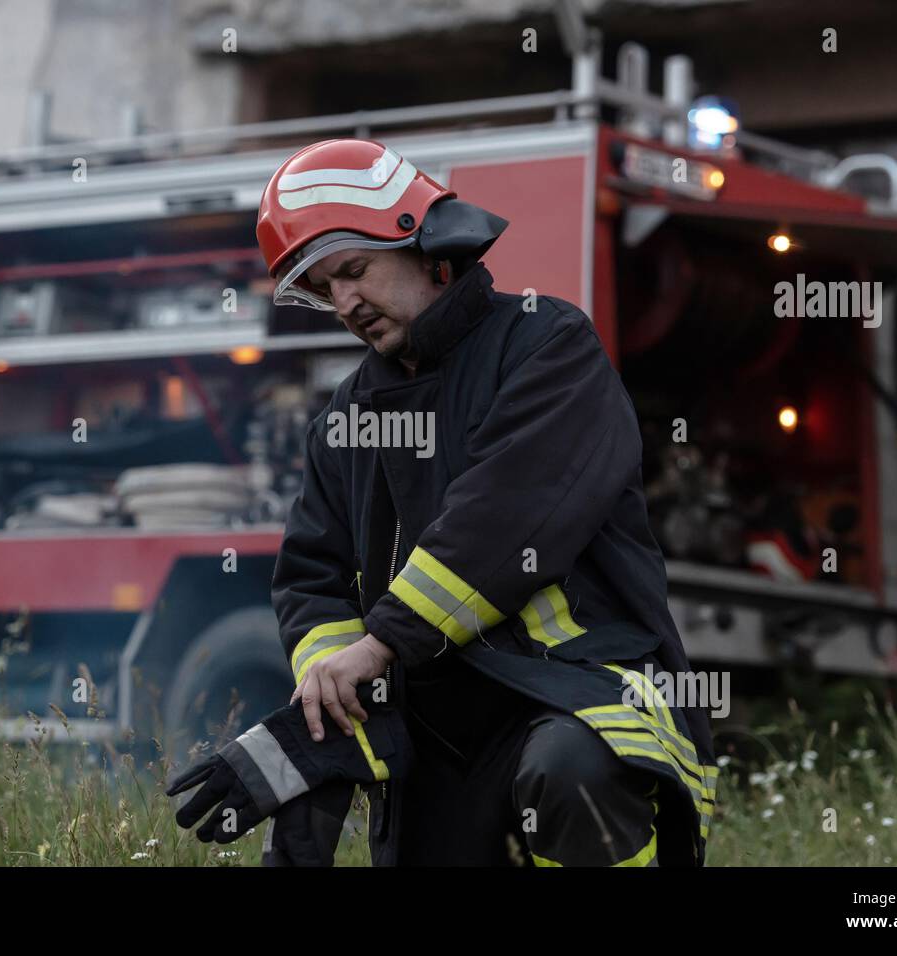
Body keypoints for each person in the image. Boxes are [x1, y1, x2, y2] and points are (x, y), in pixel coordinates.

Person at [175, 138, 718, 867]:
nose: (344, 303)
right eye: (324, 288)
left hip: (576, 691)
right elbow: (312, 578)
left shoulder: (547, 346)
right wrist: (331, 708)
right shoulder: (347, 416)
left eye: (355, 270)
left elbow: (504, 522)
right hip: (432, 729)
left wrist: (378, 646)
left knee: (570, 773)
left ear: (427, 243)